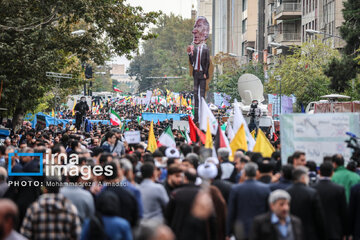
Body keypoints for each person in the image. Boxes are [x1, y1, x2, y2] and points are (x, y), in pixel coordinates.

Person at [226, 162, 271, 239]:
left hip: (241, 228)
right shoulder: (265, 188)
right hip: (260, 228)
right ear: (257, 172)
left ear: (245, 173)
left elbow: (231, 211)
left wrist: (228, 232)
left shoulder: (236, 189)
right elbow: (269, 210)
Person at [286, 166, 325, 240]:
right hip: (309, 233)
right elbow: (318, 217)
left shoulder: (287, 192)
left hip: (291, 232)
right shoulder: (312, 193)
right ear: (303, 177)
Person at [312, 162, 348, 240]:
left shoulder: (311, 188)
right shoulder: (339, 189)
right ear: (332, 173)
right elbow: (343, 212)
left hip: (316, 230)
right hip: (334, 229)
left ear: (319, 172)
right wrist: (345, 232)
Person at [187, 16, 211, 123]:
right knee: (195, 95)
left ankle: (202, 117)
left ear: (205, 32)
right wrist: (190, 53)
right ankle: (196, 117)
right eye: (194, 27)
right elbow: (192, 61)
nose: (194, 31)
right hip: (196, 74)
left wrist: (206, 73)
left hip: (202, 74)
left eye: (198, 27)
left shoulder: (205, 49)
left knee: (201, 96)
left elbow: (207, 62)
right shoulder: (195, 49)